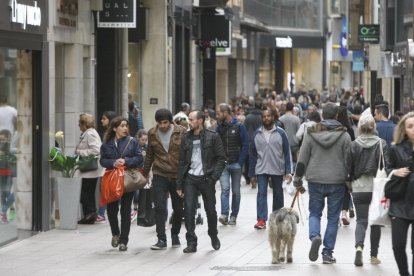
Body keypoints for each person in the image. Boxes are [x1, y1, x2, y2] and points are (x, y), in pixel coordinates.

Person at [293, 102, 351, 264]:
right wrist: (349, 182)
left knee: (315, 213)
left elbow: (302, 159)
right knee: (333, 218)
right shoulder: (344, 136)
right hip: (337, 181)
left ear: (322, 115)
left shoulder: (311, 133)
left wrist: (297, 180)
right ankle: (327, 252)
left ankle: (315, 236)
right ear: (337, 116)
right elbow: (348, 162)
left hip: (315, 179)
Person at [176, 110, 226, 253]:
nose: (189, 122)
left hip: (207, 178)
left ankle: (213, 234)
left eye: (191, 119)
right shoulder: (186, 137)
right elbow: (181, 162)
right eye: (188, 119)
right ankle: (191, 242)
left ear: (200, 121)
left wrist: (213, 178)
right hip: (190, 178)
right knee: (189, 210)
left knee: (210, 211)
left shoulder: (213, 136)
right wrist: (179, 184)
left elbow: (221, 159)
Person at [346, 114, 387, 266]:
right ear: (373, 127)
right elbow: (387, 167)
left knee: (361, 221)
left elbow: (348, 169)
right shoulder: (381, 144)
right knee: (376, 222)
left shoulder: (353, 144)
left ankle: (358, 247)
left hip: (358, 188)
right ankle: (374, 256)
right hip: (376, 188)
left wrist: (349, 185)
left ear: (360, 128)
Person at [144, 108, 186, 250]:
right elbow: (149, 154)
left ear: (170, 121)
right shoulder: (152, 133)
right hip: (159, 173)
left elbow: (187, 153)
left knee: (178, 208)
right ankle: (161, 239)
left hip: (177, 175)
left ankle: (175, 234)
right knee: (160, 207)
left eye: (165, 122)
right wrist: (145, 173)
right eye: (160, 123)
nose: (162, 125)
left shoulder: (180, 131)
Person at [100, 117, 143, 251]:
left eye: (126, 126)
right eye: (122, 126)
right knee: (112, 210)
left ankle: (124, 240)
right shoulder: (106, 144)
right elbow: (102, 161)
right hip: (112, 180)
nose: (125, 128)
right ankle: (115, 234)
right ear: (114, 128)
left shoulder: (132, 142)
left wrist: (126, 161)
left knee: (126, 210)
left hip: (127, 179)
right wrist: (113, 163)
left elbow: (139, 158)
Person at [249, 109, 293, 230]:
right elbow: (252, 154)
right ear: (261, 118)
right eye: (264, 116)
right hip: (261, 168)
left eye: (269, 116)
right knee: (261, 193)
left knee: (278, 194)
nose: (266, 118)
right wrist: (251, 173)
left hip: (277, 167)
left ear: (273, 117)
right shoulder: (257, 133)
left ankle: (278, 218)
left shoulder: (281, 133)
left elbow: (287, 152)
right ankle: (261, 220)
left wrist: (288, 171)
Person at [385, 112, 414, 276]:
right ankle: (404, 273)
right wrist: (395, 171)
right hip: (399, 202)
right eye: (410, 126)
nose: (413, 129)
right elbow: (387, 169)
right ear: (404, 129)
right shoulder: (395, 148)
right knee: (398, 245)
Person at [216, 103, 249, 226]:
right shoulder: (219, 127)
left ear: (225, 113)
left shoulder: (239, 126)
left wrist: (240, 162)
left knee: (236, 191)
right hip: (223, 164)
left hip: (236, 164)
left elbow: (246, 144)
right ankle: (224, 215)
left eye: (219, 113)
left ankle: (233, 215)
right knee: (224, 190)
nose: (217, 115)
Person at [75, 113, 103, 224]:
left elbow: (96, 150)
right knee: (88, 193)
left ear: (84, 124)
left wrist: (80, 152)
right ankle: (90, 215)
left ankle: (90, 214)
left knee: (85, 193)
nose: (78, 125)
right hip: (89, 170)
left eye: (80, 123)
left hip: (90, 170)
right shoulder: (88, 133)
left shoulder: (90, 133)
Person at [96, 111, 117, 223]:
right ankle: (101, 213)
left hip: (112, 167)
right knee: (104, 189)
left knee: (108, 189)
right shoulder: (106, 134)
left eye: (104, 118)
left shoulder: (111, 135)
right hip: (107, 166)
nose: (101, 121)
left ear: (110, 119)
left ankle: (101, 213)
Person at [131, 129, 148, 223]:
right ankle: (135, 210)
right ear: (138, 138)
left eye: (146, 140)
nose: (144, 142)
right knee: (136, 193)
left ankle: (142, 211)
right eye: (143, 140)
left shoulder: (147, 147)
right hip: (136, 172)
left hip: (144, 173)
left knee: (144, 192)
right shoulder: (134, 147)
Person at [0, 129, 14, 223]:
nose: (2, 142)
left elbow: (11, 154)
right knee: (2, 194)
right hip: (1, 173)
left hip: (9, 172)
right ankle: (3, 215)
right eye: (0, 140)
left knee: (9, 193)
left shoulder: (9, 147)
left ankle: (4, 210)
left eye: (3, 139)